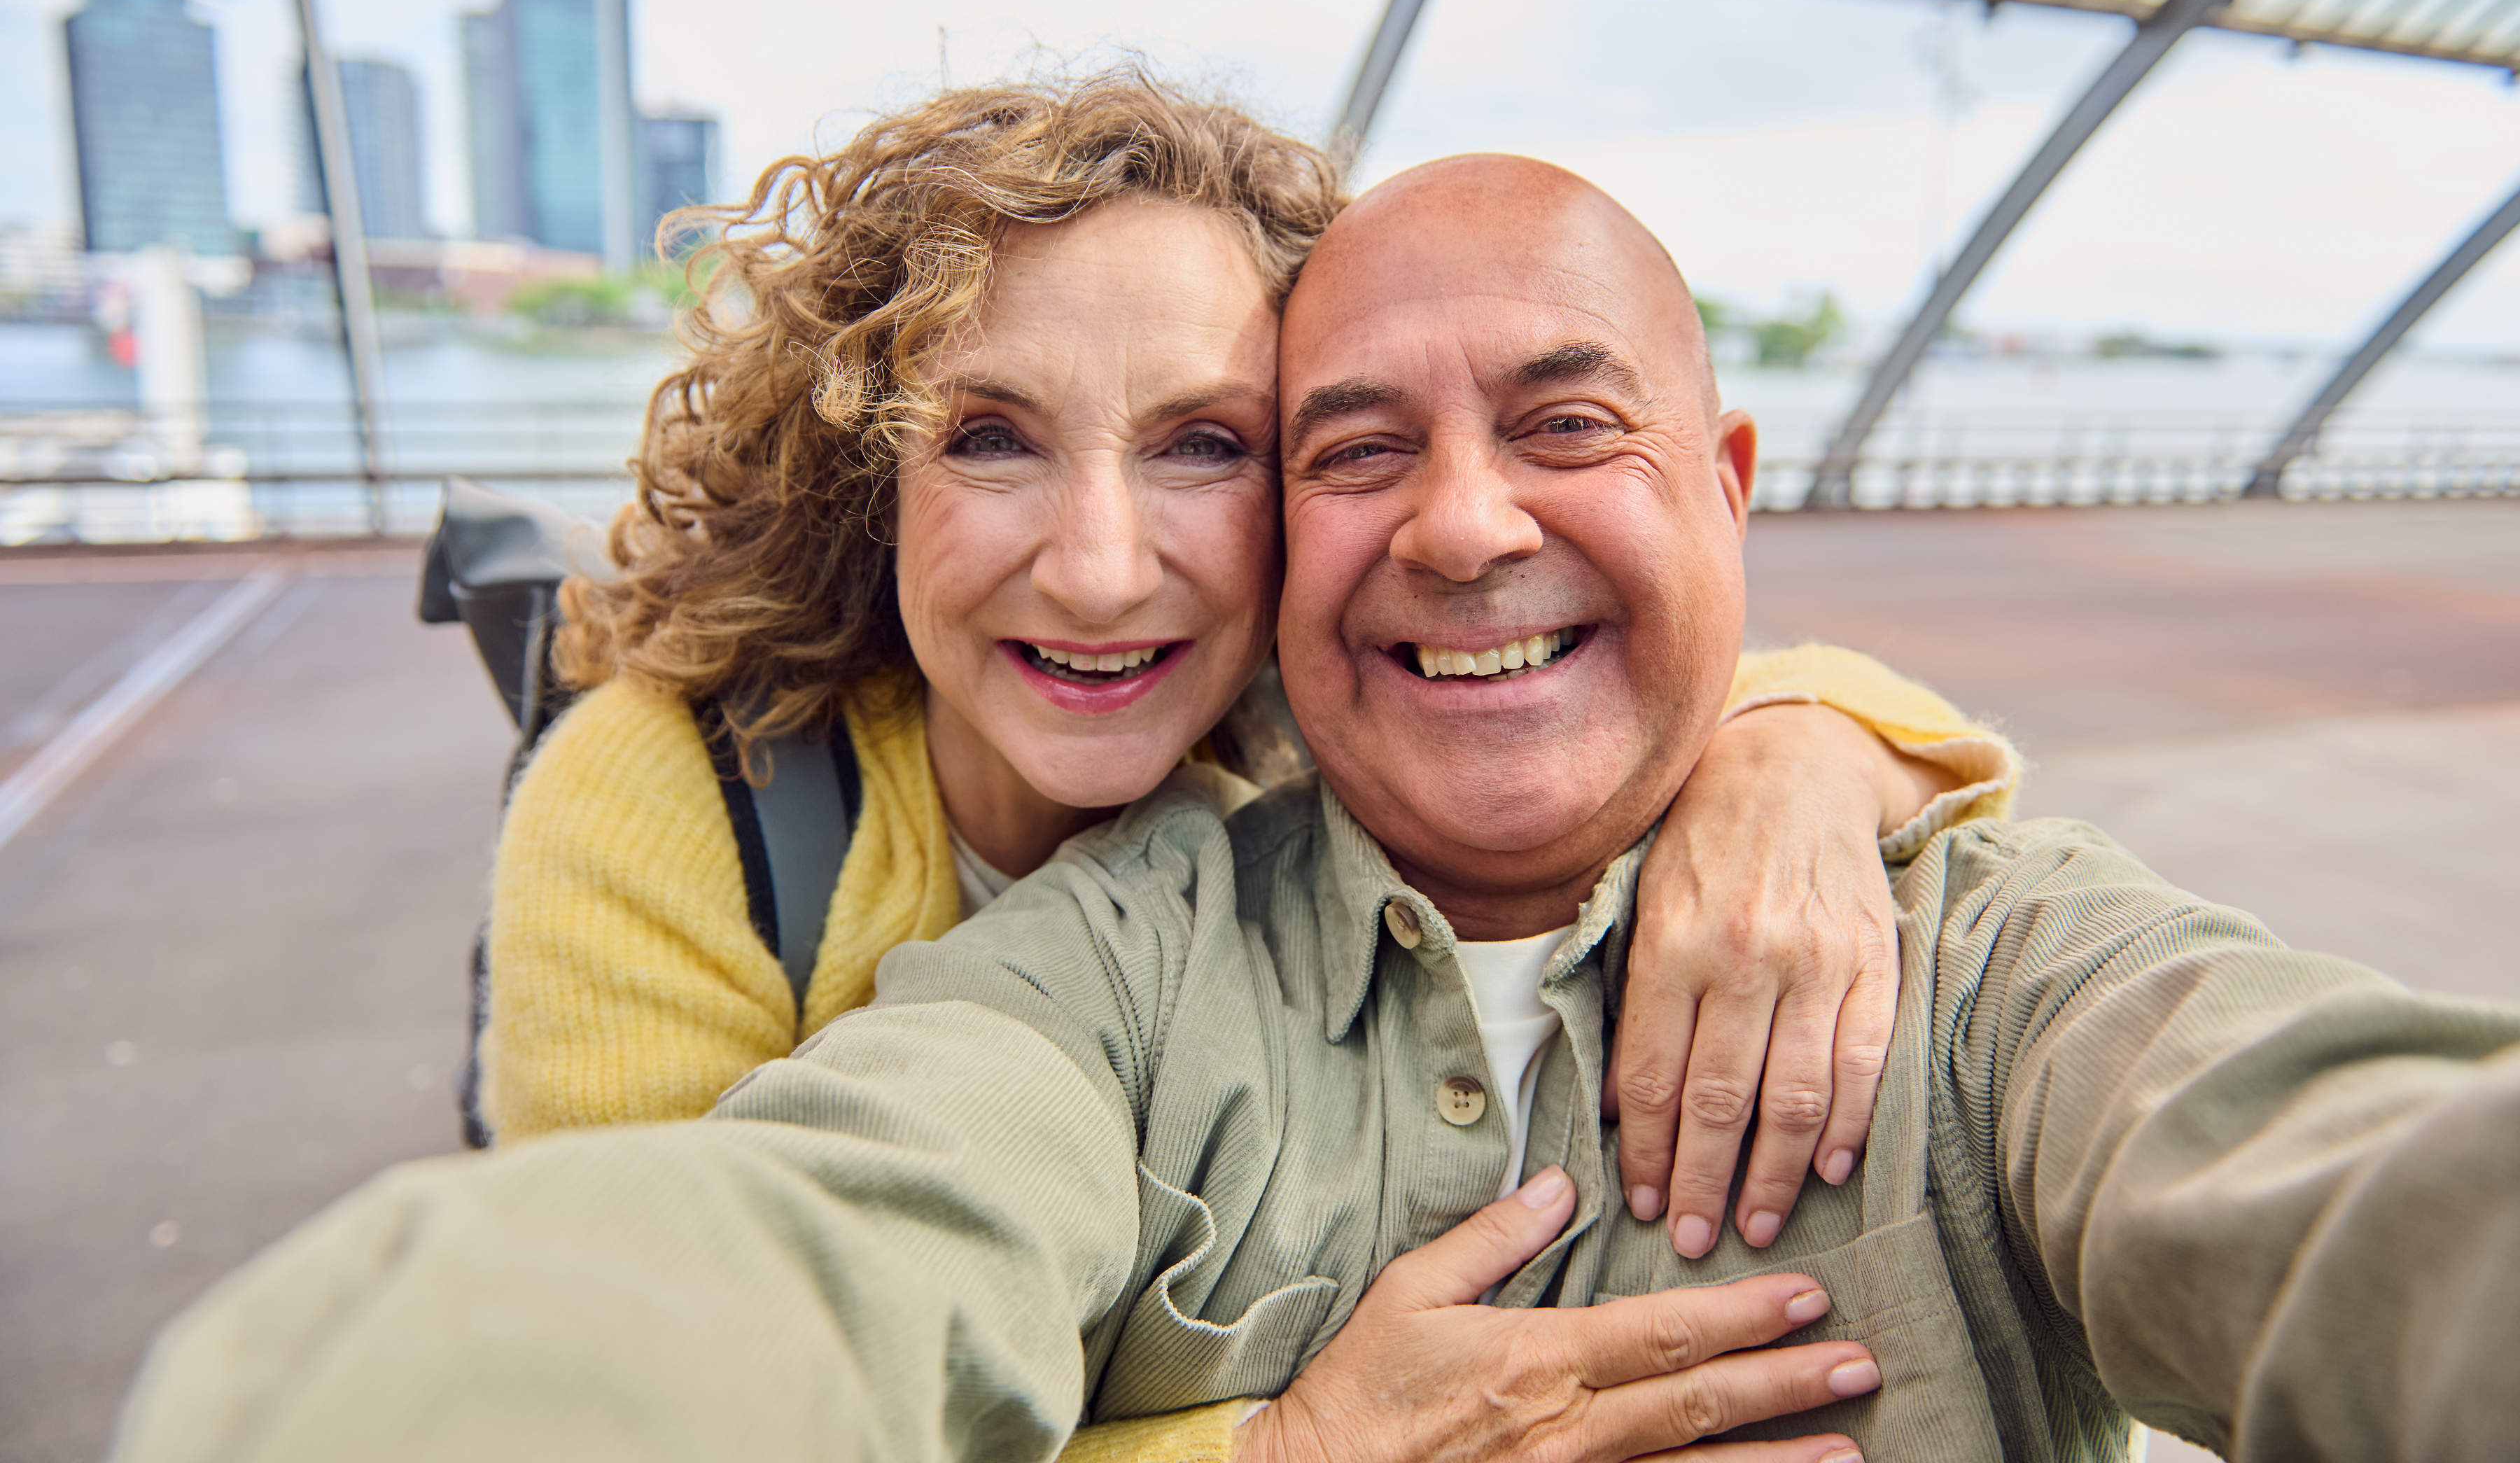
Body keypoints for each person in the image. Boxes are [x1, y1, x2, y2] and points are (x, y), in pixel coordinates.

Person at [122, 153, 2520, 1463]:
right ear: (869, 487)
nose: (1102, 560)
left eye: (1211, 449)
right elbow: (797, 1245)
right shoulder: (964, 900)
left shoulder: (1954, 938)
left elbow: (2318, 1166)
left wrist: (1813, 754)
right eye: (1363, 447)